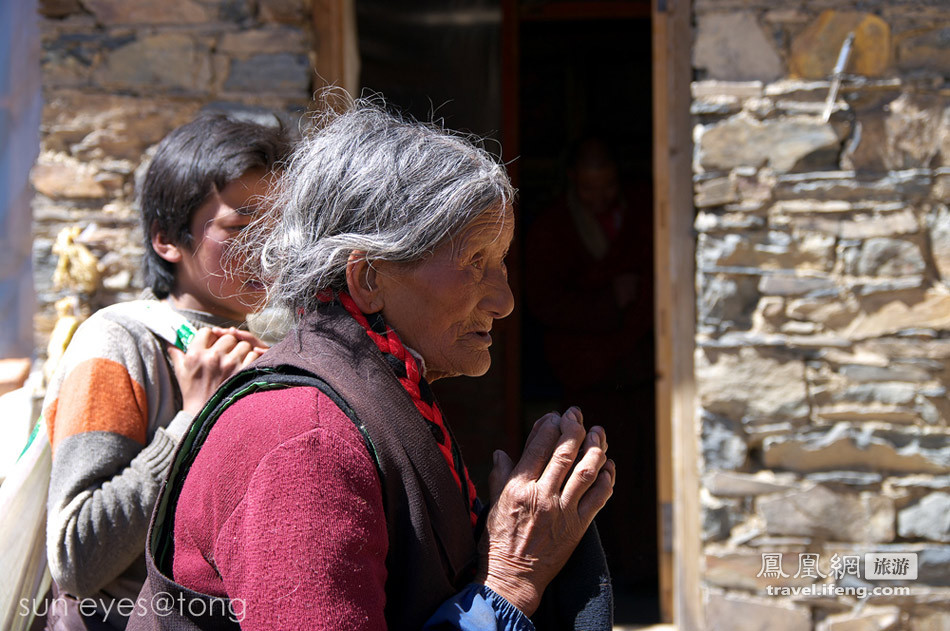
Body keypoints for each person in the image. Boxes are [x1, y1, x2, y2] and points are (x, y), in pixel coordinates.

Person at [130, 99, 616, 630]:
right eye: (476, 262)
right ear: (368, 278)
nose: (504, 300)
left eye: (500, 264)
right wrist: (509, 581)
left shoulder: (381, 394)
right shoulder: (305, 438)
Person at [42, 113, 291, 629]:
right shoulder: (116, 345)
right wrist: (192, 421)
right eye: (241, 227)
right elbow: (74, 559)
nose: (266, 247)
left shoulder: (264, 353)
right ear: (166, 240)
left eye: (277, 226)